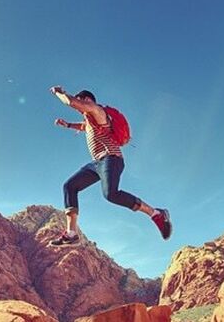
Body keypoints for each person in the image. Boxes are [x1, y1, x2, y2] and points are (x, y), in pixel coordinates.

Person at [48, 86, 171, 247]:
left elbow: (71, 102)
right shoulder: (90, 120)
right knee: (69, 186)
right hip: (96, 163)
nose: (80, 105)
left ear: (87, 100)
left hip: (111, 159)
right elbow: (84, 126)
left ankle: (156, 213)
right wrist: (68, 125)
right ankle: (71, 234)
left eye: (81, 100)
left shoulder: (97, 110)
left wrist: (59, 93)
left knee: (111, 194)